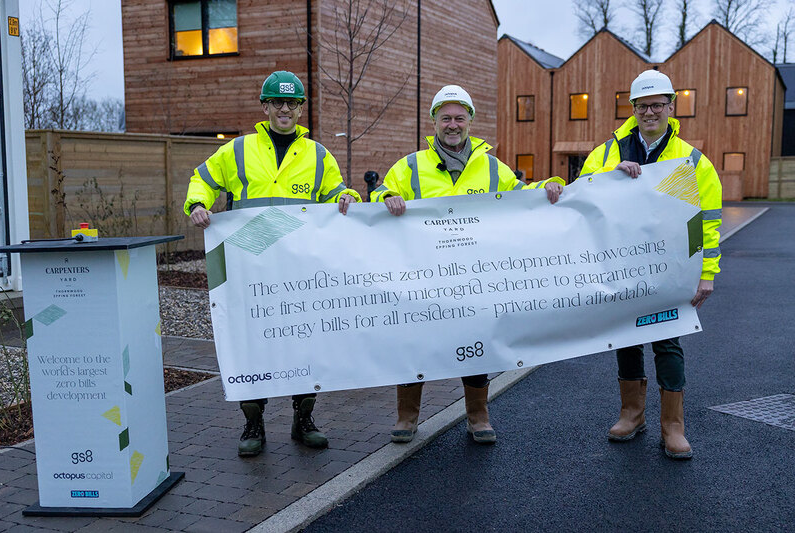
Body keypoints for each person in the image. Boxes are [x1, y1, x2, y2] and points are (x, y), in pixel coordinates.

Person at [370, 85, 565, 444]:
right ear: (434, 122)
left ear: (471, 121)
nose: (453, 124)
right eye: (445, 117)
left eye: (460, 117)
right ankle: (407, 417)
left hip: (475, 280)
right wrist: (386, 195)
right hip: (423, 277)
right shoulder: (410, 166)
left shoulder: (492, 168)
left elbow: (522, 196)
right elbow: (378, 192)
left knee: (475, 347)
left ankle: (478, 416)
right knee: (416, 344)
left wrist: (549, 185)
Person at [183, 71, 362, 456]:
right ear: (264, 107)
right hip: (250, 267)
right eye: (277, 102)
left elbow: (337, 191)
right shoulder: (237, 150)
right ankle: (254, 422)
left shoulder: (318, 155)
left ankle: (304, 417)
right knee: (251, 344)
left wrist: (348, 196)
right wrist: (198, 203)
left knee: (305, 344)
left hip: (299, 272)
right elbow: (203, 179)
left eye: (292, 102)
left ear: (300, 109)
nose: (285, 108)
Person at [579, 69, 722, 460]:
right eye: (642, 106)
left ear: (671, 107)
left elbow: (706, 222)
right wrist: (610, 177)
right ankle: (632, 413)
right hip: (622, 265)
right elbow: (582, 196)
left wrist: (705, 274)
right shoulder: (608, 154)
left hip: (670, 269)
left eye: (657, 105)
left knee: (667, 340)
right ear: (633, 109)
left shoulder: (690, 160)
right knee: (625, 338)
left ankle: (673, 427)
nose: (649, 112)